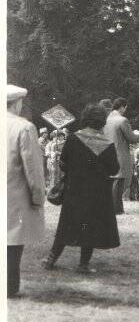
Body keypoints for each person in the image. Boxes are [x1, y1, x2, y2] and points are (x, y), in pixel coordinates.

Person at [43, 103, 120, 273]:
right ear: (102, 121)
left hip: (74, 190)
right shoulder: (106, 143)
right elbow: (114, 169)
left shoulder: (73, 138)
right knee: (90, 226)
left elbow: (63, 164)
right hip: (97, 193)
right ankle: (83, 265)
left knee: (66, 224)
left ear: (86, 119)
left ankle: (51, 260)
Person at [7, 85, 46, 296]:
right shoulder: (24, 127)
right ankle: (9, 288)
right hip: (13, 195)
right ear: (17, 103)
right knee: (12, 243)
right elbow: (33, 168)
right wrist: (38, 196)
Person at [103, 98, 139, 214]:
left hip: (108, 154)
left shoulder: (106, 120)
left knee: (114, 182)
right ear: (122, 106)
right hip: (120, 154)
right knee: (120, 181)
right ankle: (116, 209)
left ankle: (117, 208)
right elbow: (131, 138)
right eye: (125, 108)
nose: (125, 110)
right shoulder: (122, 120)